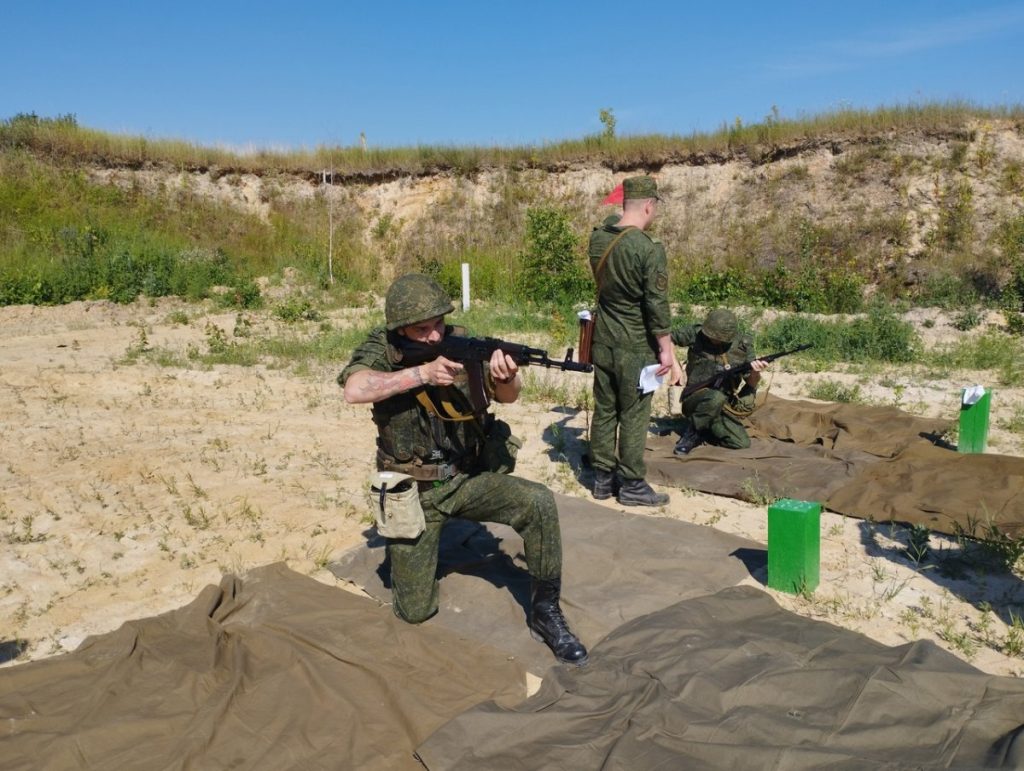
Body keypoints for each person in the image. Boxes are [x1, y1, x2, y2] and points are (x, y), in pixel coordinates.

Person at [338, 273, 588, 666]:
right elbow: (354, 389)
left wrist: (507, 378)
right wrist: (420, 374)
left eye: (439, 323)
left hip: (463, 478)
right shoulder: (382, 348)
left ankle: (546, 611)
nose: (436, 336)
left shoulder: (463, 342)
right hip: (412, 492)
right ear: (399, 327)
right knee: (414, 611)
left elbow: (507, 397)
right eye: (423, 329)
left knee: (538, 502)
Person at [588, 175, 680, 506]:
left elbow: (611, 222)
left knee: (605, 409)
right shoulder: (648, 249)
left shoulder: (598, 239)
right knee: (635, 413)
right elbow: (657, 307)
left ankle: (601, 477)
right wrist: (667, 349)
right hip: (635, 346)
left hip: (603, 340)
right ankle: (630, 483)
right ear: (648, 206)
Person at [671, 309, 769, 455]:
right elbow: (667, 339)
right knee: (716, 396)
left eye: (721, 338)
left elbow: (751, 383)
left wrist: (756, 372)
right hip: (694, 399)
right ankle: (692, 434)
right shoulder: (696, 333)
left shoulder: (743, 345)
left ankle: (705, 427)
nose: (714, 339)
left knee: (741, 443)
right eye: (711, 335)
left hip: (722, 405)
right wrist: (675, 367)